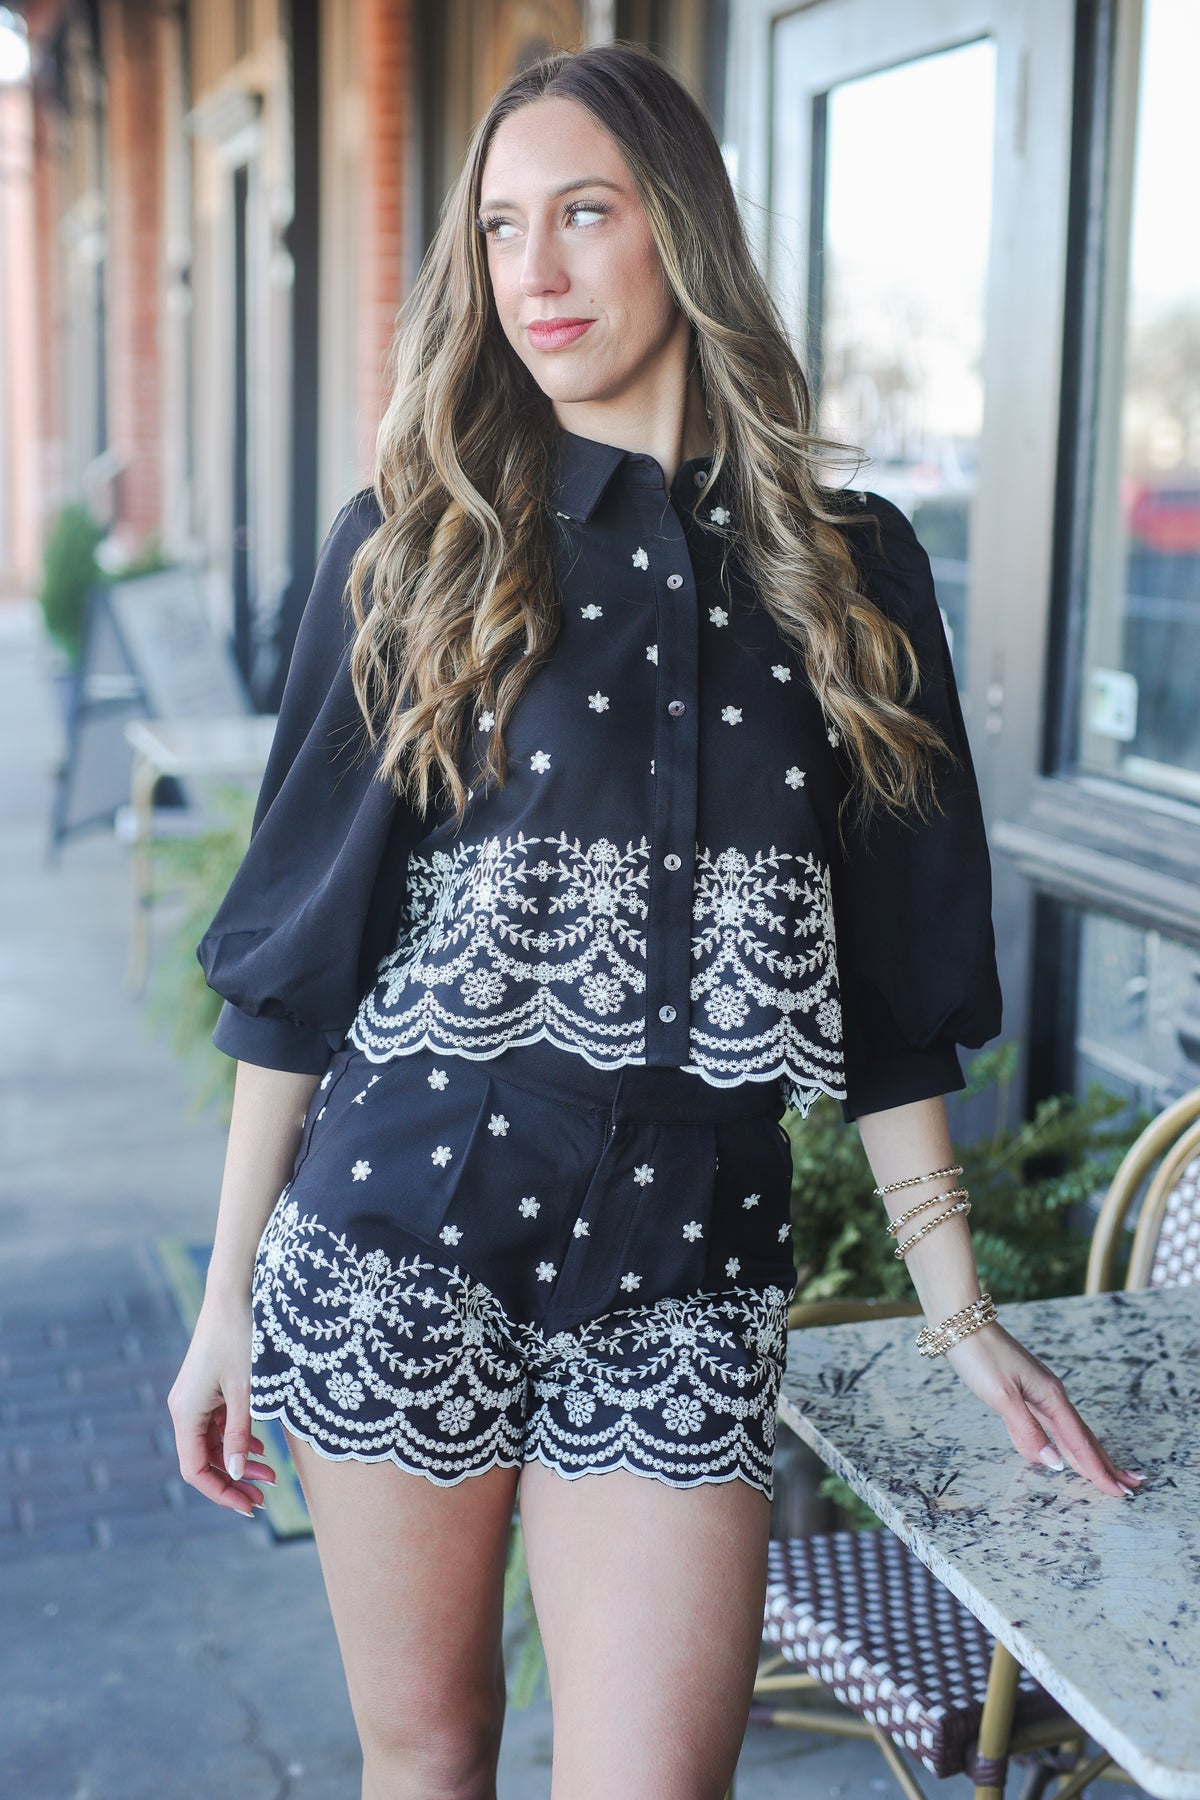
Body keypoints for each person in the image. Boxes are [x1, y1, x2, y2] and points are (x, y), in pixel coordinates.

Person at [168, 40, 1143, 1800]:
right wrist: (224, 1299)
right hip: (404, 1244)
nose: (533, 272)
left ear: (678, 230)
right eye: (500, 227)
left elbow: (897, 1006)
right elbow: (299, 967)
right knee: (431, 1757)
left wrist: (959, 1314)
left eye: (584, 215)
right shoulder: (417, 547)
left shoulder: (855, 574)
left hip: (689, 1272)